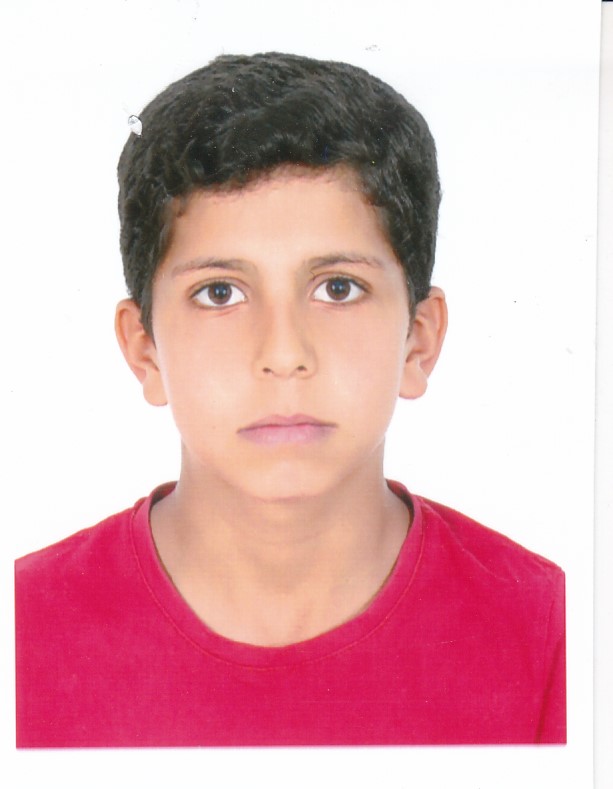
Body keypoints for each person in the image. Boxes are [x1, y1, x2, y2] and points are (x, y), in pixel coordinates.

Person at [15, 52, 565, 747]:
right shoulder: (21, 632)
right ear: (144, 348)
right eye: (220, 292)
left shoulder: (553, 632)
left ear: (418, 340)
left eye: (337, 287)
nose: (282, 353)